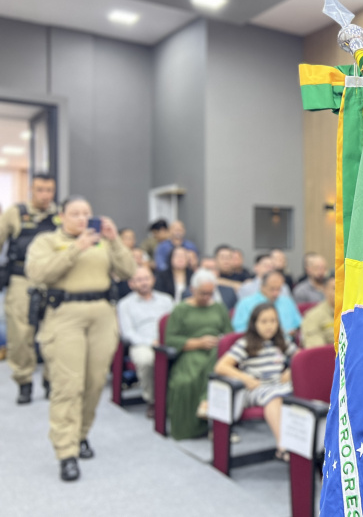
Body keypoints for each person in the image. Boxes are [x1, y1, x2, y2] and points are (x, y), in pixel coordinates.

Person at [26, 195, 135, 481]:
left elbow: (128, 272)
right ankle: (66, 451)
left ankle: (82, 434)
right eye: (75, 213)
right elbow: (38, 273)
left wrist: (115, 241)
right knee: (68, 385)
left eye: (87, 213)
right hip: (64, 315)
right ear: (61, 216)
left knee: (95, 382)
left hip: (101, 314)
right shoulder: (47, 241)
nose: (82, 218)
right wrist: (76, 248)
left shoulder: (103, 241)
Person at [214, 303, 298, 459]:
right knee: (274, 397)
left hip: (279, 385)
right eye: (264, 322)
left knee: (303, 393)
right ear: (254, 324)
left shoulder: (281, 342)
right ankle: (283, 446)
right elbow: (221, 366)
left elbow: (301, 358)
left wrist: (291, 370)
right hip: (255, 388)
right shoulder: (245, 343)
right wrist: (245, 378)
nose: (269, 326)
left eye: (273, 321)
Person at [0, 173, 57, 404]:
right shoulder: (15, 212)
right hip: (20, 280)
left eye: (49, 190)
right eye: (40, 189)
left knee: (53, 333)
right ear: (31, 189)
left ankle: (50, 380)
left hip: (52, 280)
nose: (45, 195)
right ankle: (24, 382)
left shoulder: (59, 216)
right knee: (20, 335)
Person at [163, 269, 231, 440]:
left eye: (210, 293)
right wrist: (198, 343)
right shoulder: (181, 309)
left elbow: (230, 334)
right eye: (203, 293)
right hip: (190, 352)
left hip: (216, 352)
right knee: (186, 381)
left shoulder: (219, 308)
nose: (207, 297)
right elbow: (170, 338)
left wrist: (218, 340)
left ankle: (207, 406)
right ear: (192, 290)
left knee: (216, 367)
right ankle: (191, 426)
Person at [116, 266, 173, 418]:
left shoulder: (166, 299)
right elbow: (128, 333)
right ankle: (153, 401)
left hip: (166, 341)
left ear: (153, 280)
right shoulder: (125, 304)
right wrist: (150, 342)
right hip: (141, 344)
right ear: (131, 284)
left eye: (146, 278)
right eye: (139, 280)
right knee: (147, 360)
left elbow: (174, 323)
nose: (144, 283)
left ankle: (174, 399)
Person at [232, 271, 301, 338]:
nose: (275, 293)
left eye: (279, 289)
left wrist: (293, 332)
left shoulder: (287, 301)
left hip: (287, 344)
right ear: (262, 287)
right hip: (257, 344)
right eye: (272, 289)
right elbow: (240, 331)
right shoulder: (245, 304)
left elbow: (299, 325)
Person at [301, 272, 335, 348]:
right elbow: (317, 351)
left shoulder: (355, 314)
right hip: (329, 357)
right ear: (325, 290)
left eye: (344, 288)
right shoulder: (313, 316)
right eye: (335, 288)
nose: (341, 292)